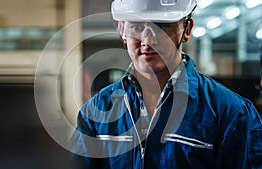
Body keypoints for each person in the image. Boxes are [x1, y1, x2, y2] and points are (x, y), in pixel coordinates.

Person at [69, 0, 262, 168]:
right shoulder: (95, 113)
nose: (147, 39)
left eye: (162, 26)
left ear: (187, 29)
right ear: (122, 31)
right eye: (136, 27)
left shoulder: (232, 114)